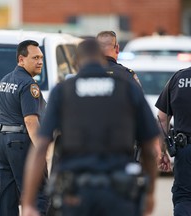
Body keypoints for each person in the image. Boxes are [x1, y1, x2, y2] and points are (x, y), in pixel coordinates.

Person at [22, 39, 160, 216]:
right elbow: (150, 147)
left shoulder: (63, 91)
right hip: (119, 194)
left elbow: (41, 147)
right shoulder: (128, 88)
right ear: (103, 59)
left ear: (76, 63)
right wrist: (149, 194)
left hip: (76, 194)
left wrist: (28, 203)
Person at [0, 40, 49, 216]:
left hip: (2, 143)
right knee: (37, 194)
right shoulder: (28, 85)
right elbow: (31, 122)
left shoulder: (4, 81)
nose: (40, 62)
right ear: (21, 59)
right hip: (21, 144)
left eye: (41, 57)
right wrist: (42, 151)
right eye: (35, 58)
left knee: (8, 196)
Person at [156, 67, 191, 215]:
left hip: (185, 150)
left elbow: (162, 119)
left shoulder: (178, 78)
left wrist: (162, 151)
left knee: (184, 198)